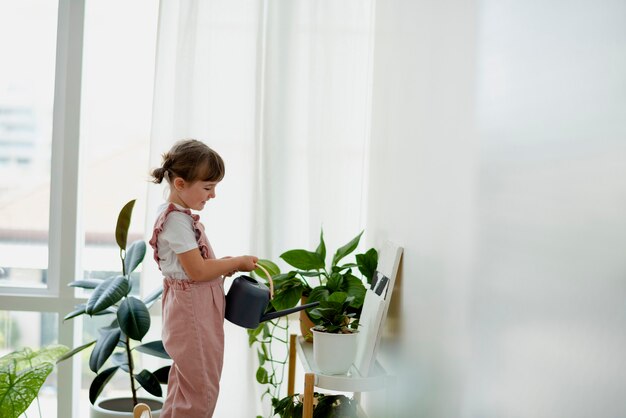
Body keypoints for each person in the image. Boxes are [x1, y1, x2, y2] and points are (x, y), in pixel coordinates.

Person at [148, 139, 258, 418]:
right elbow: (196, 271)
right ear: (181, 184)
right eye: (208, 188)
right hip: (192, 308)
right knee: (201, 391)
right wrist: (234, 263)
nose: (212, 195)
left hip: (191, 305)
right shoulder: (175, 221)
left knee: (186, 384)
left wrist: (224, 265)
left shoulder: (178, 216)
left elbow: (194, 267)